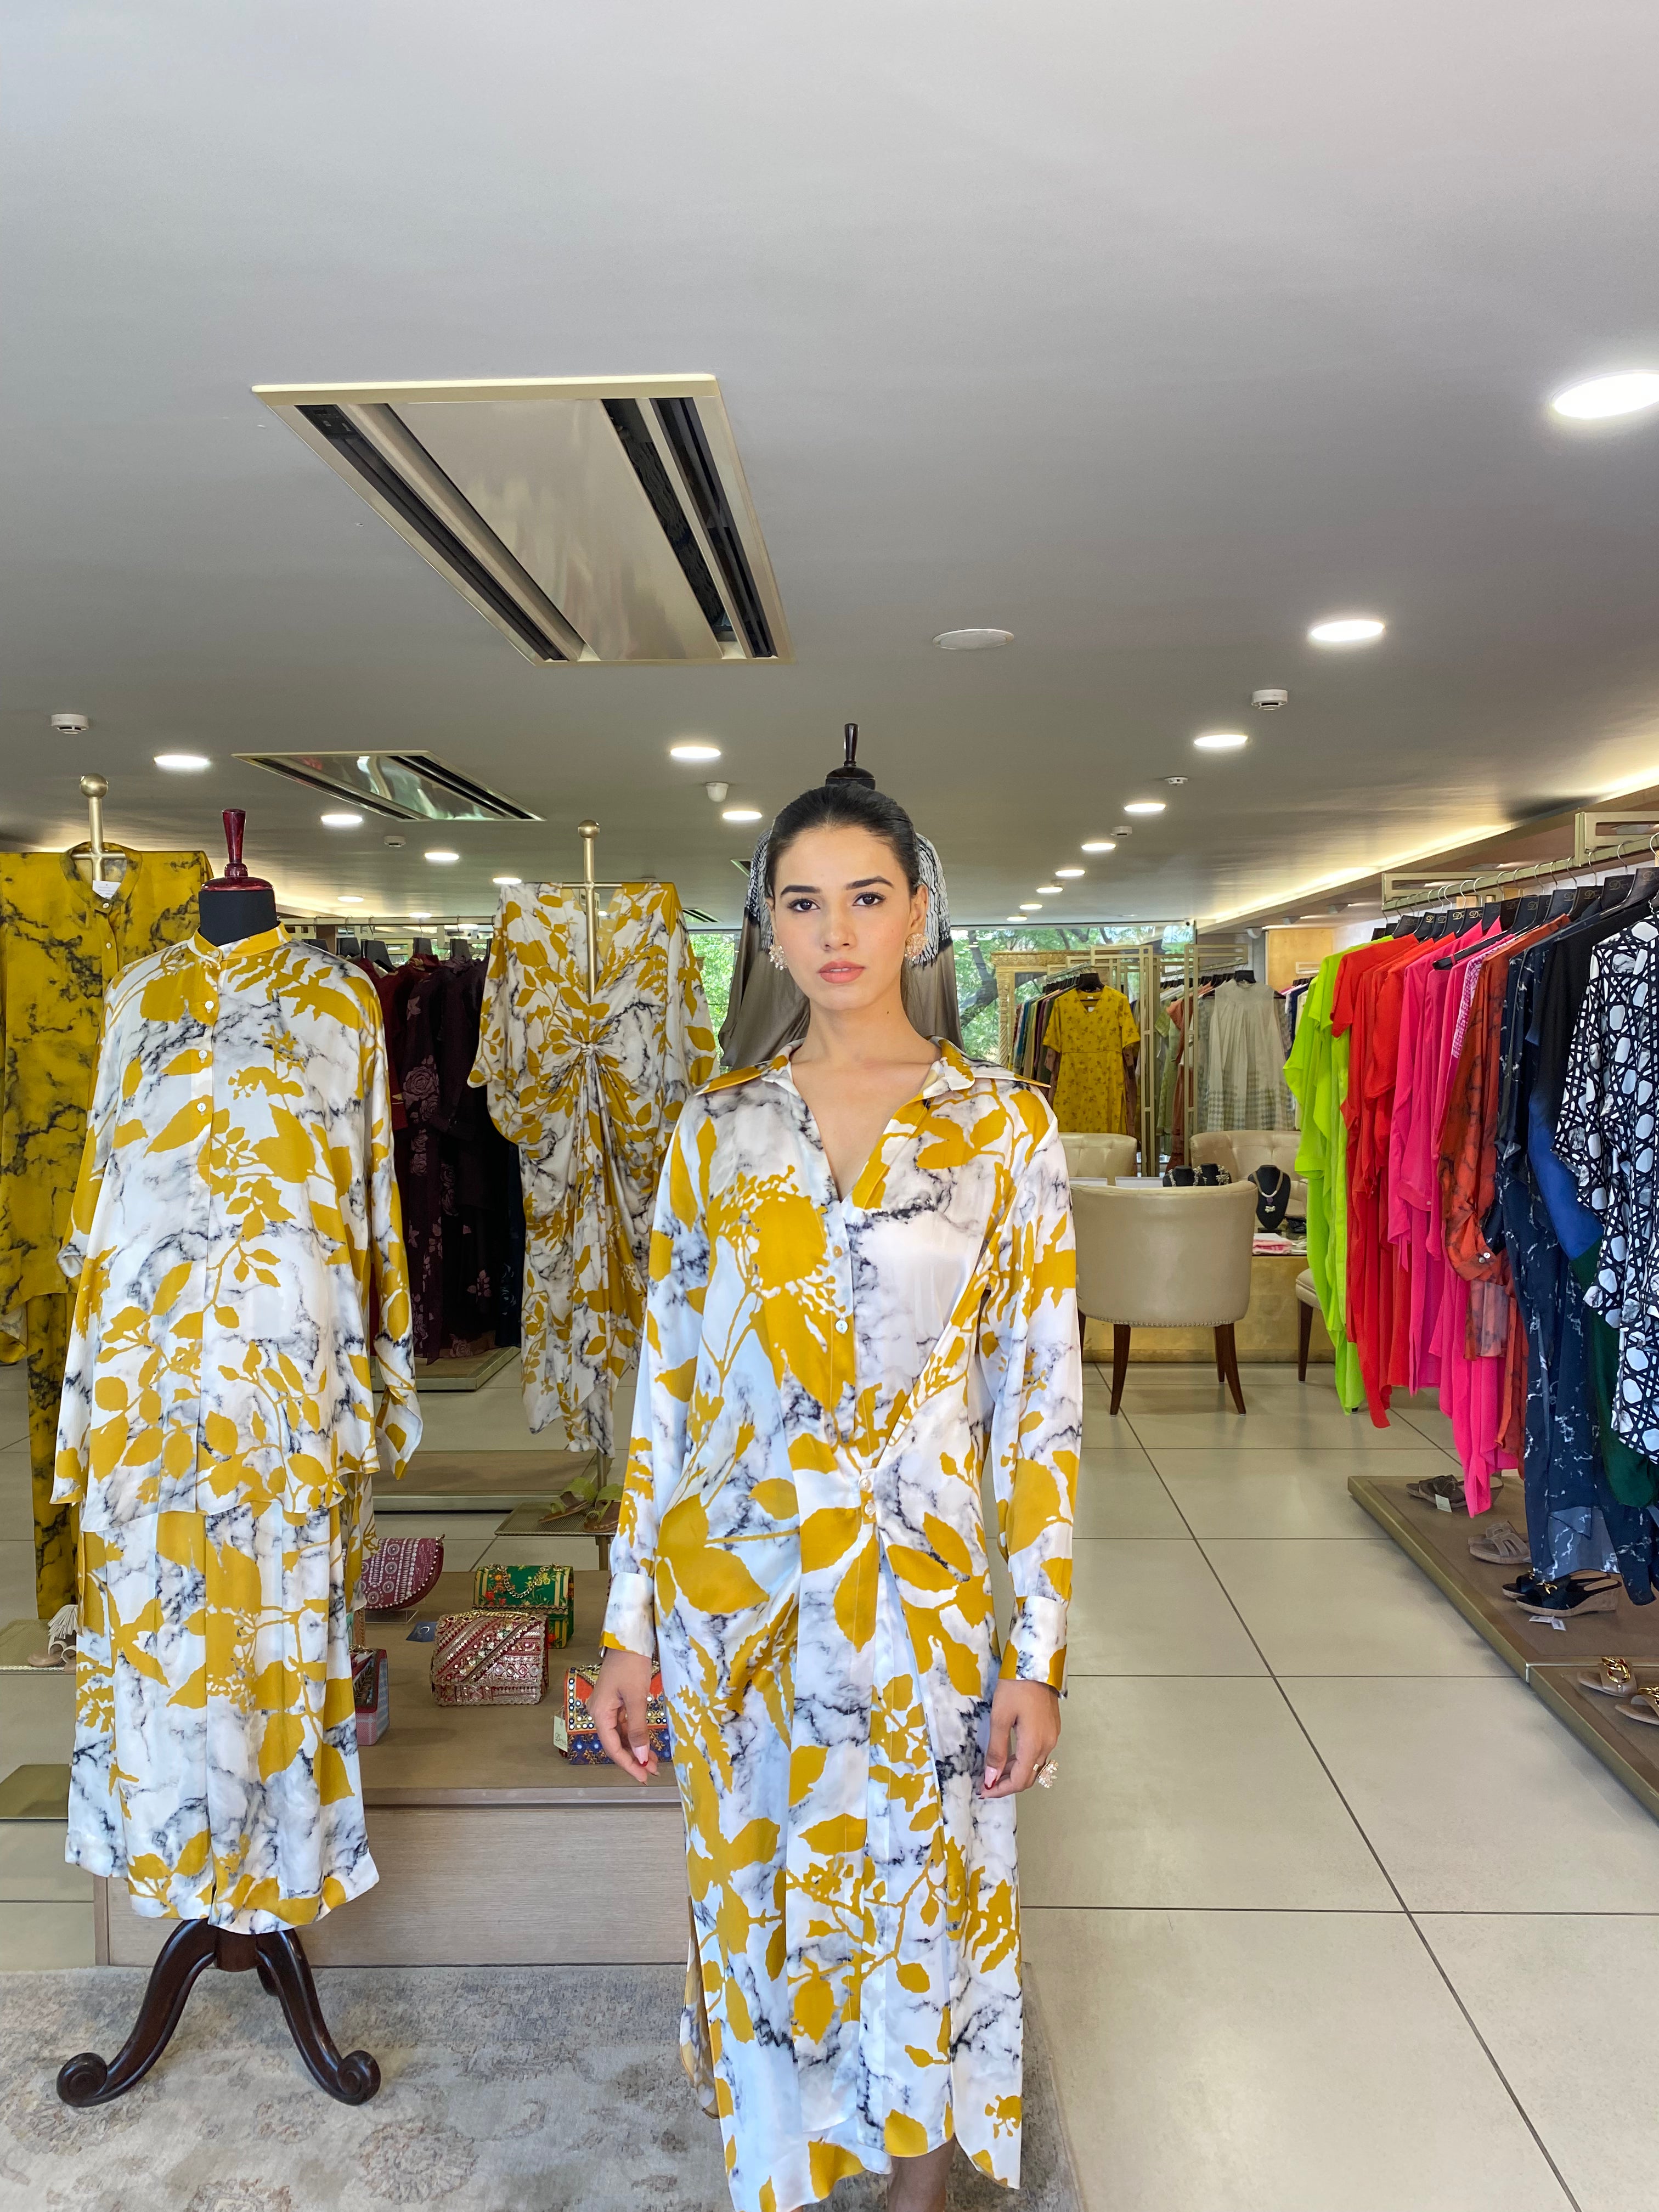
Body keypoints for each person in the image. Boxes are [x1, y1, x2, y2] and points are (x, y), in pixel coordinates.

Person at [594, 780, 1080, 2212]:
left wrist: (1037, 1657)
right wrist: (631, 1627)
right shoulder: (719, 1132)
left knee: (926, 1901)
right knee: (766, 1906)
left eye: (867, 896)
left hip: (929, 1607)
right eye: (801, 901)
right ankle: (787, 2163)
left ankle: (921, 2181)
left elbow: (1039, 1415)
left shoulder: (1006, 1131)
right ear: (767, 927)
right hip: (742, 1596)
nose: (836, 930)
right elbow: (666, 1391)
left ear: (920, 912)